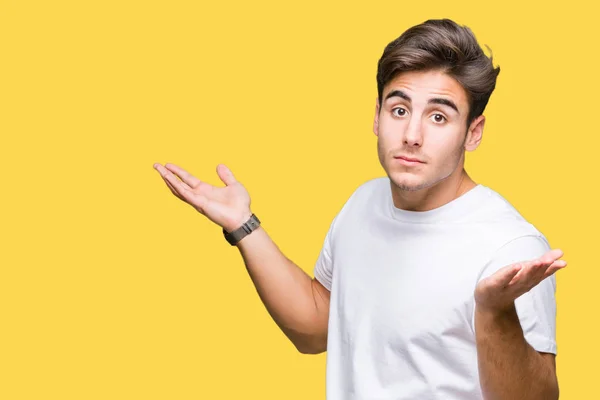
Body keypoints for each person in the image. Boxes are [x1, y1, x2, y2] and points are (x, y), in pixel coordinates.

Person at [153, 18, 566, 400]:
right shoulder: (363, 203)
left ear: (472, 133)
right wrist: (245, 226)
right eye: (399, 110)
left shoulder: (510, 248)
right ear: (376, 115)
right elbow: (315, 329)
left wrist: (495, 314)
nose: (412, 135)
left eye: (439, 117)